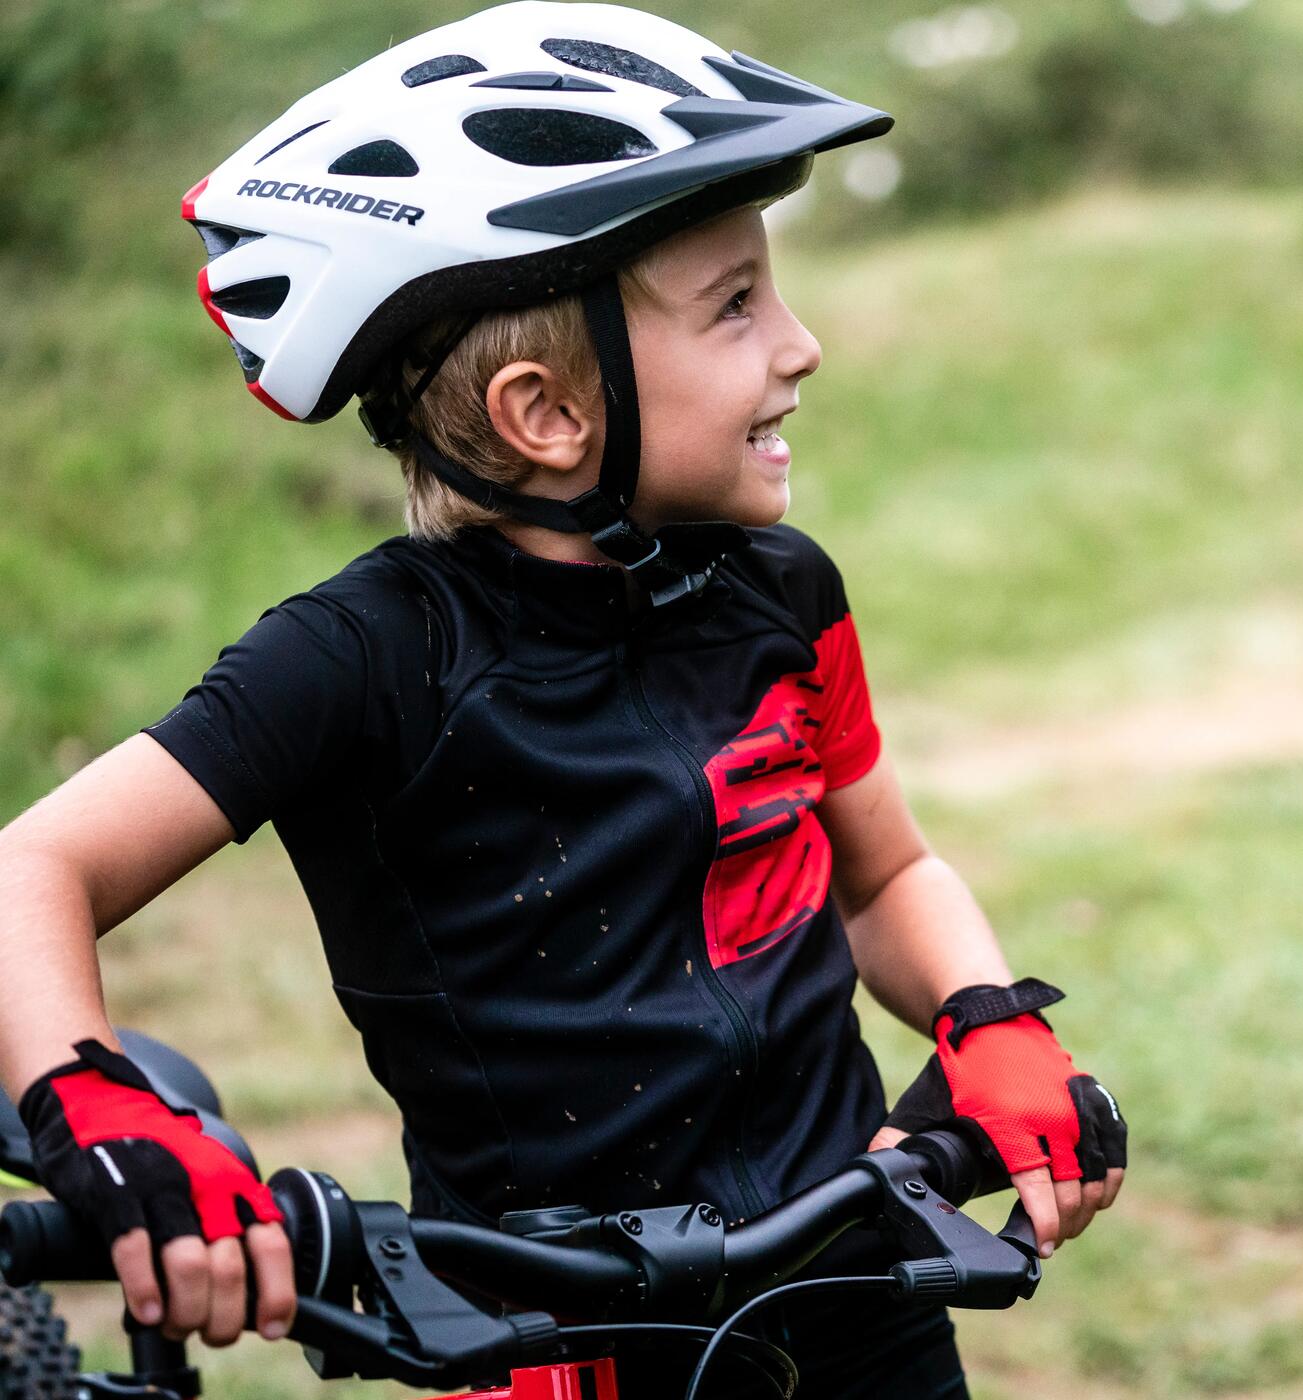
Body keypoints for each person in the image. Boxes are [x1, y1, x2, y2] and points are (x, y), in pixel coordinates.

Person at [0, 5, 1127, 1393]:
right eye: (735, 305)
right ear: (548, 415)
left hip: (859, 1293)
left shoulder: (783, 595)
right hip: (552, 1345)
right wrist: (95, 1106)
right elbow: (32, 865)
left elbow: (882, 871)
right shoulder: (363, 654)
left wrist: (985, 1015)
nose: (801, 343)